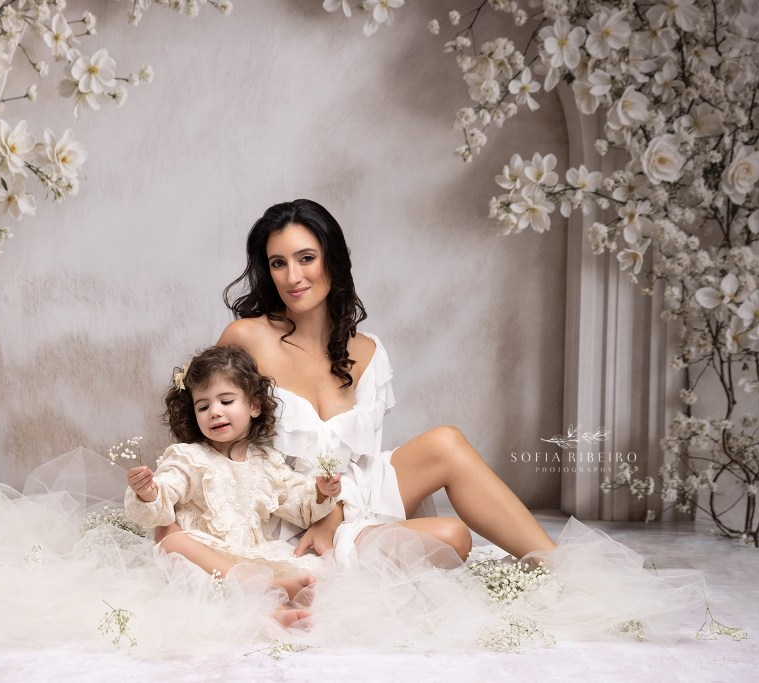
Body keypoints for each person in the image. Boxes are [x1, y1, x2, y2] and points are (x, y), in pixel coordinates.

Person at [215, 199, 557, 563]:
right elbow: (208, 439)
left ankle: (558, 568)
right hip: (286, 515)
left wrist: (337, 511)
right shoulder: (246, 338)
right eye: (278, 263)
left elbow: (359, 464)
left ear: (332, 259)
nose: (292, 277)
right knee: (453, 537)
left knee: (446, 442)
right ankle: (346, 546)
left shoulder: (367, 351)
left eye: (306, 258)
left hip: (351, 501)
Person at [123, 345, 341, 625]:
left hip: (248, 553)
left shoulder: (267, 462)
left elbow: (299, 505)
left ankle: (274, 610)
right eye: (203, 406)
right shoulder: (189, 458)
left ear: (254, 406)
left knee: (305, 570)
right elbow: (166, 492)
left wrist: (322, 492)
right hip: (205, 558)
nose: (214, 411)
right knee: (172, 540)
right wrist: (148, 492)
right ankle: (264, 590)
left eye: (226, 401)